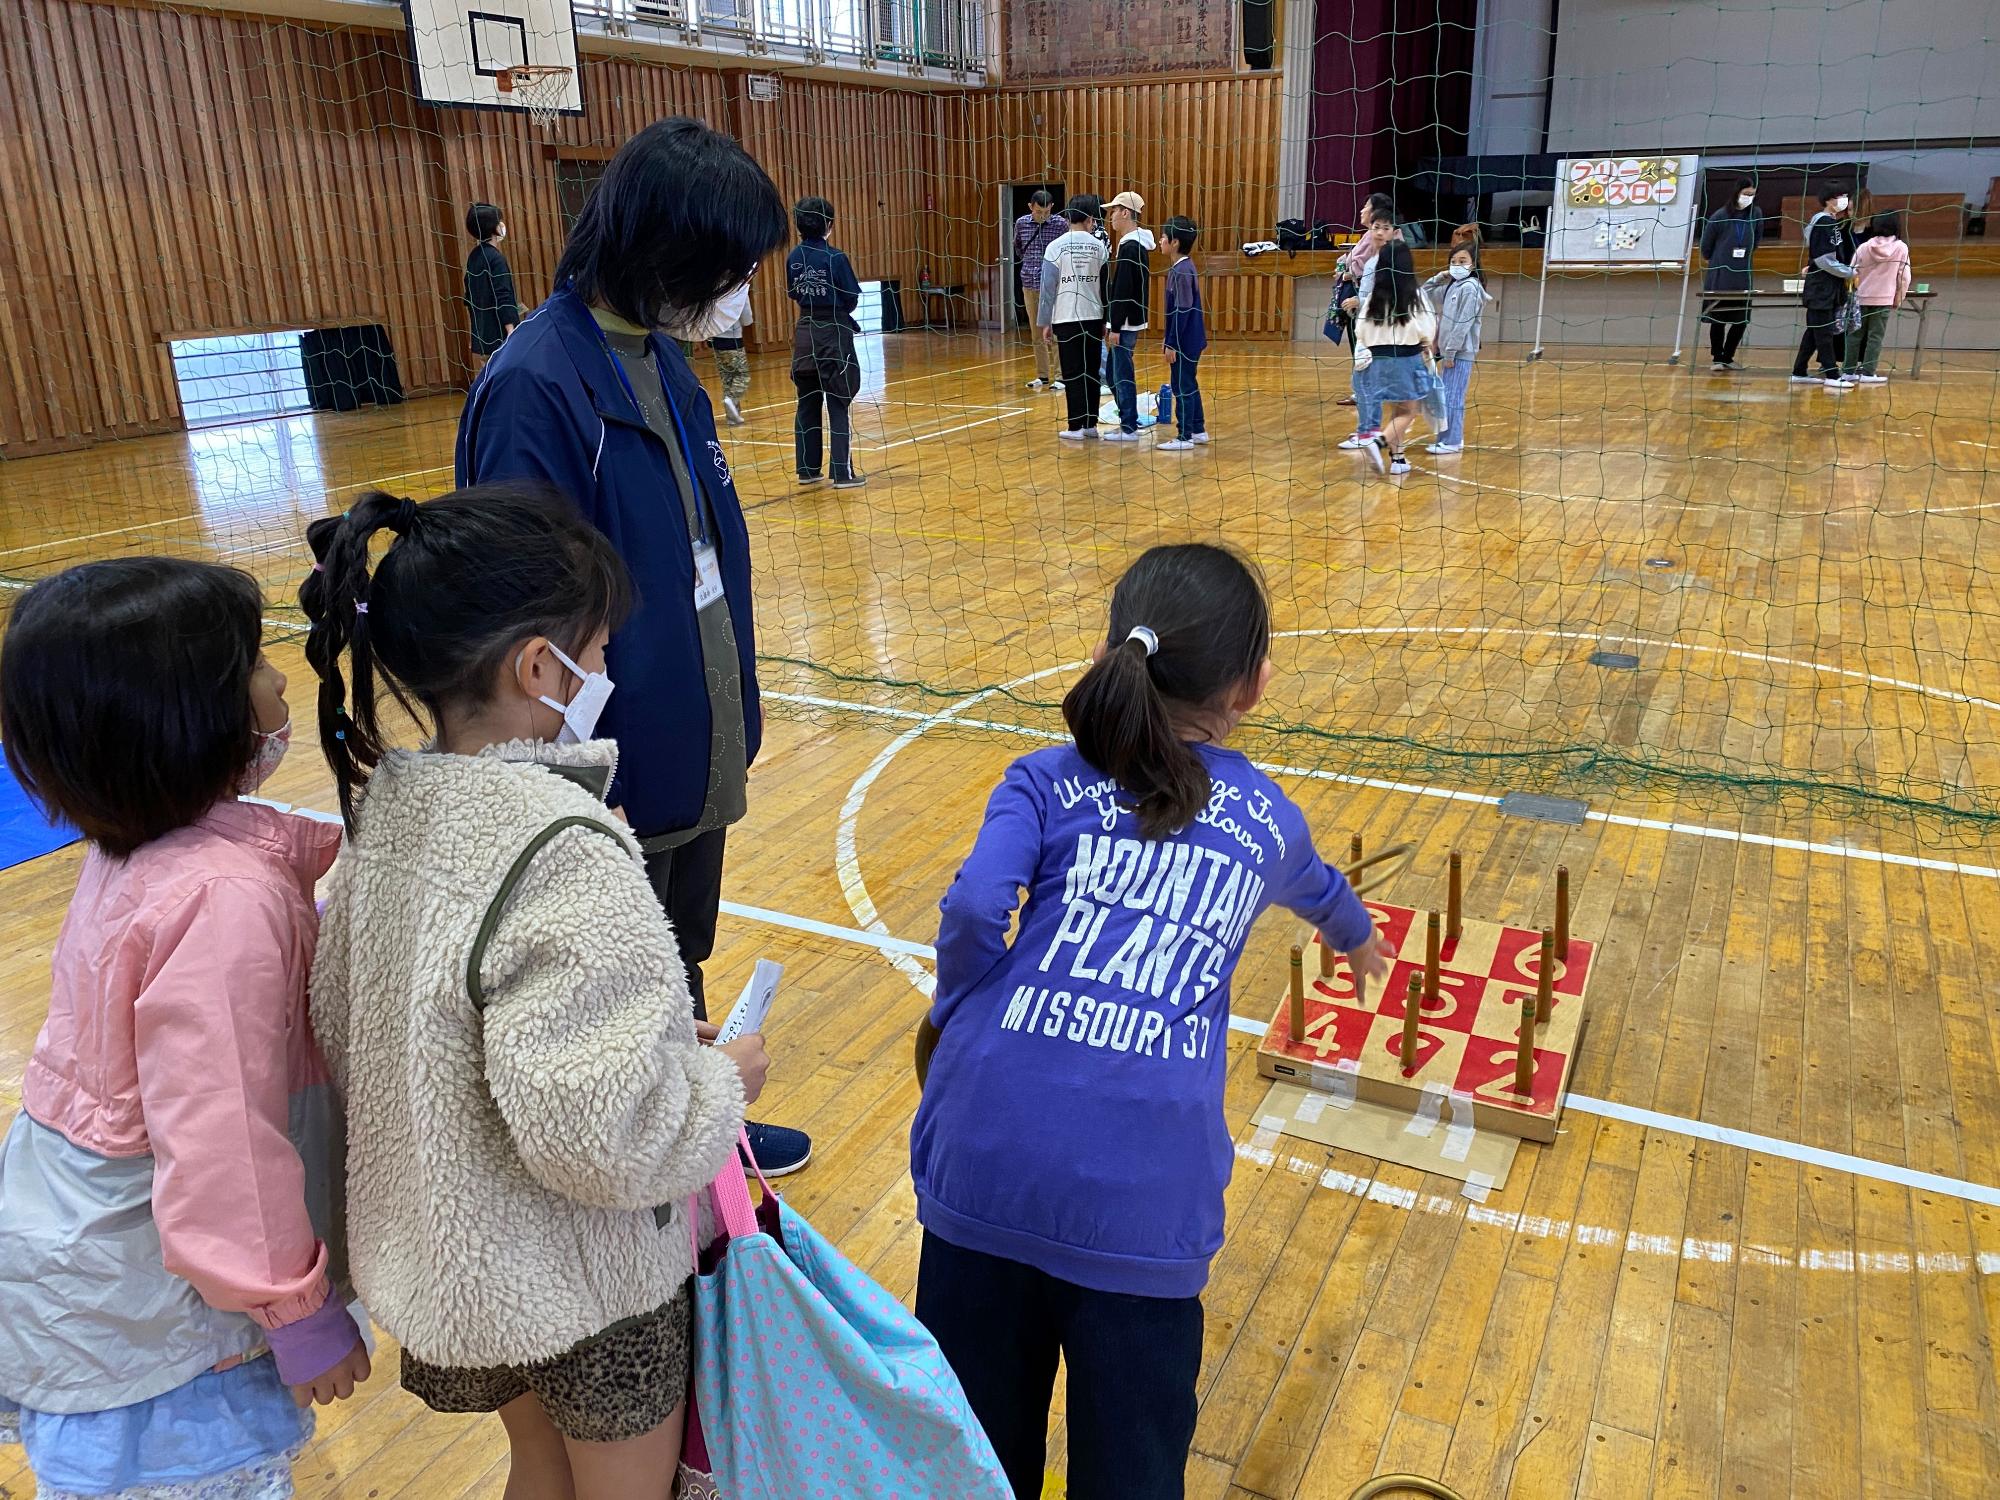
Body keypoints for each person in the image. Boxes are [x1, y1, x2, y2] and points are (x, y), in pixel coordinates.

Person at [301, 486, 767, 1500]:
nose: (604, 674)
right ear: (537, 667)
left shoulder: (389, 814)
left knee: (538, 1470)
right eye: (596, 654)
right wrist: (713, 1081)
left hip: (466, 1268)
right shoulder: (563, 846)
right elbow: (602, 1137)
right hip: (587, 1282)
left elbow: (355, 1024)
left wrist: (638, 1040)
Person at [909, 544, 1392, 1500]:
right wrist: (1359, 940)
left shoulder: (1042, 778)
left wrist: (958, 1014)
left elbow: (972, 912)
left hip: (982, 1162)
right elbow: (1319, 889)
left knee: (972, 1468)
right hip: (1144, 1207)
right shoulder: (1266, 820)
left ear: (1107, 649)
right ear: (1253, 686)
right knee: (1130, 1474)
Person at [455, 116, 812, 1178]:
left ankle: (698, 1127)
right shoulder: (538, 381)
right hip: (610, 751)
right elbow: (520, 615)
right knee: (613, 976)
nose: (742, 289)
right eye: (731, 266)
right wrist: (569, 779)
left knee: (673, 954)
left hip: (689, 725)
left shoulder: (666, 359)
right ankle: (654, 1163)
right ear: (668, 250)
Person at [0, 558, 368, 1499]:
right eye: (253, 664)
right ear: (182, 717)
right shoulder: (221, 899)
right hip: (152, 1333)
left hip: (88, 1271)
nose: (280, 682)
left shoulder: (148, 846)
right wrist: (297, 1311)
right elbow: (224, 1146)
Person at [787, 195, 867, 488]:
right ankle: (842, 473)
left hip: (805, 333)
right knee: (837, 399)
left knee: (807, 401)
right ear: (829, 225)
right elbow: (851, 297)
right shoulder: (835, 258)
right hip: (833, 333)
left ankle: (807, 470)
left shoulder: (794, 257)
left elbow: (794, 292)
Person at [1354, 238, 1438, 476]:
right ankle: (1378, 443)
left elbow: (1360, 330)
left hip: (1377, 361)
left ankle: (1398, 459)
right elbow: (1427, 329)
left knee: (1396, 408)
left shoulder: (1374, 298)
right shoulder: (1415, 295)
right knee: (1409, 410)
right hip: (1406, 358)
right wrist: (1425, 345)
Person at [1038, 196, 1111, 441]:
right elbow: (1105, 288)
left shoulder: (1055, 247)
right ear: (1090, 219)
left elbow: (1047, 289)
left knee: (1072, 372)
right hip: (1093, 316)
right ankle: (1090, 423)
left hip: (1066, 317)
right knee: (1091, 371)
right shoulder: (1099, 247)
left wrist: (1045, 322)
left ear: (1068, 217)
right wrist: (1105, 320)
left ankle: (1075, 426)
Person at [1419, 240, 1491, 455]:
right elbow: (1425, 293)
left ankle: (1452, 441)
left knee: (1453, 396)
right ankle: (1447, 439)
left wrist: (1450, 352)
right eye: (1454, 261)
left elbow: (1463, 323)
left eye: (1463, 261)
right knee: (1446, 395)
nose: (1457, 265)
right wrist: (1440, 277)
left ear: (1473, 264)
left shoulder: (1470, 288)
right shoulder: (1453, 285)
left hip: (1459, 352)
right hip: (1449, 351)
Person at [1337, 194, 1396, 449]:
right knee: (1362, 381)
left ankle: (1370, 433)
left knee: (1368, 381)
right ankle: (1367, 431)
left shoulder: (1390, 261)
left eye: (1385, 228)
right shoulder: (1373, 261)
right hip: (1366, 327)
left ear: (1394, 231)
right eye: (1376, 228)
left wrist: (1361, 302)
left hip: (1378, 328)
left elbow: (1390, 294)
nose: (1379, 233)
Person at [1102, 190, 1156, 442]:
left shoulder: (1131, 246)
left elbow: (1123, 289)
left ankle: (1129, 427)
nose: (1110, 216)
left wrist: (1114, 325)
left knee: (1121, 373)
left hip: (1124, 323)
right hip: (1127, 321)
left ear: (1125, 212)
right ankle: (1128, 419)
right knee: (1114, 372)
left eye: (1113, 211)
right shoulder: (1132, 244)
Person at [1791, 186, 1857, 391]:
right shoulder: (1824, 222)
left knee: (1814, 331)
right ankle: (1832, 374)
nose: (1845, 200)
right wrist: (1849, 272)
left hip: (1828, 286)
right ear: (1829, 200)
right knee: (1823, 332)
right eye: (1841, 197)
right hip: (1821, 287)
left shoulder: (1831, 222)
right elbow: (1823, 259)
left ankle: (1799, 372)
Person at [1156, 215, 1208, 452]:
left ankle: (1184, 435)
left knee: (1181, 385)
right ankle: (1198, 430)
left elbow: (1182, 310)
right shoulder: (1184, 267)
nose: (1160, 241)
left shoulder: (1181, 270)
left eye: (1164, 237)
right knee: (1189, 382)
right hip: (1190, 339)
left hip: (1185, 341)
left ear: (1175, 242)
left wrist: (1172, 343)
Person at [1700, 180, 1761, 371]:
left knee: (1741, 318)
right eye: (1746, 193)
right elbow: (1705, 248)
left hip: (1743, 275)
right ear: (1736, 193)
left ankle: (1728, 356)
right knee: (1718, 318)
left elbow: (1756, 242)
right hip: (1720, 275)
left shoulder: (1756, 214)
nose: (1749, 198)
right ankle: (1717, 357)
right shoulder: (1720, 216)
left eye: (1752, 194)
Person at [1843, 212, 1911, 384]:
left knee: (1854, 335)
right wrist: (1899, 297)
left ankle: (1848, 371)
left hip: (1860, 298)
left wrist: (1850, 294)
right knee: (1875, 337)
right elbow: (1904, 276)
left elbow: (1851, 272)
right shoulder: (1901, 248)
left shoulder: (1864, 247)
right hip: (1883, 300)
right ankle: (1868, 372)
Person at [1014, 190, 1067, 390]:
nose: (1042, 216)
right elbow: (1018, 247)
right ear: (1030, 207)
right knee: (1037, 333)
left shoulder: (1061, 224)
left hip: (1055, 286)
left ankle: (1060, 377)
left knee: (1055, 333)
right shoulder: (1021, 223)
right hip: (1030, 283)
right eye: (1038, 212)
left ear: (1051, 207)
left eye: (1046, 211)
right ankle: (1042, 375)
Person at [465, 201, 520, 365]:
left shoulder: (474, 256)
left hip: (483, 336)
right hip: (499, 336)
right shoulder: (496, 259)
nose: (502, 224)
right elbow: (503, 296)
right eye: (499, 221)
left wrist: (475, 333)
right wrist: (512, 332)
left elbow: (470, 298)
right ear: (493, 227)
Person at [710, 279, 754, 425]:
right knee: (742, 376)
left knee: (727, 378)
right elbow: (747, 318)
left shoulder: (713, 287)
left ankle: (732, 418)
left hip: (716, 339)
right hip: (733, 339)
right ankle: (732, 399)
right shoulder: (739, 288)